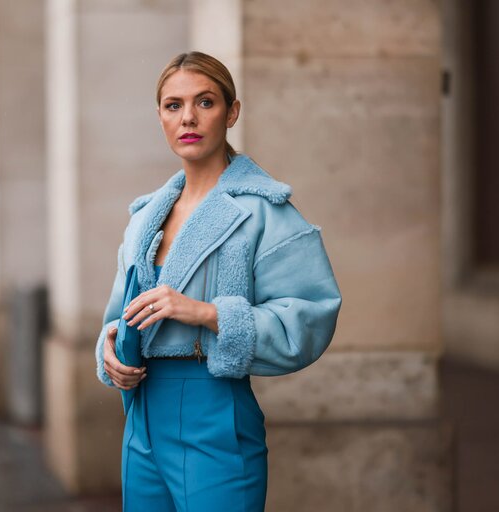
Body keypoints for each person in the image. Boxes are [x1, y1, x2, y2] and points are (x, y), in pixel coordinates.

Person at [94, 51, 342, 512]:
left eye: (204, 102)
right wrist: (108, 348)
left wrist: (206, 312)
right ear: (161, 117)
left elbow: (312, 314)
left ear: (232, 112)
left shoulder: (265, 210)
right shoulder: (145, 216)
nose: (188, 117)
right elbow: (116, 314)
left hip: (214, 412)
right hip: (141, 417)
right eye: (173, 105)